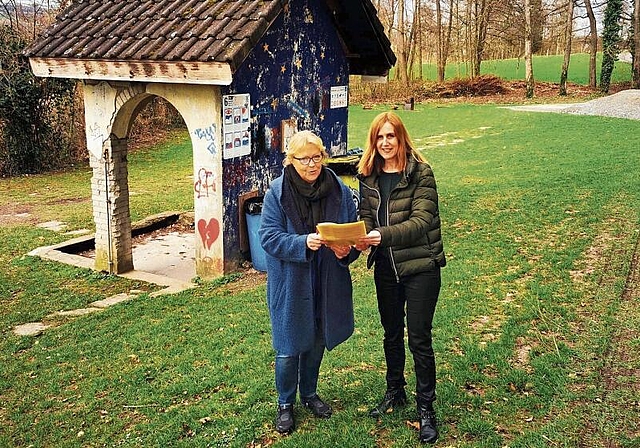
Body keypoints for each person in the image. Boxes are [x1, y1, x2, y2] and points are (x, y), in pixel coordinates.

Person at [259, 130, 360, 435]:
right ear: (291, 161)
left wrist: (348, 248)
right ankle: (285, 403)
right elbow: (268, 237)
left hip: (327, 278)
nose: (312, 164)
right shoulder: (276, 193)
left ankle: (310, 394)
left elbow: (352, 231)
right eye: (304, 159)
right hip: (292, 283)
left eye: (317, 157)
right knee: (289, 347)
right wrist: (303, 242)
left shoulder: (339, 190)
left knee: (318, 339)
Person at [355, 111, 446, 444]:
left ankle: (426, 408)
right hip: (386, 269)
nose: (385, 143)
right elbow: (365, 219)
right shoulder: (368, 176)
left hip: (421, 266)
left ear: (401, 137)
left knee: (418, 338)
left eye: (390, 136)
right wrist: (356, 240)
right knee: (391, 333)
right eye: (379, 137)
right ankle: (395, 391)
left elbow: (421, 221)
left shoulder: (421, 173)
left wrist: (380, 235)